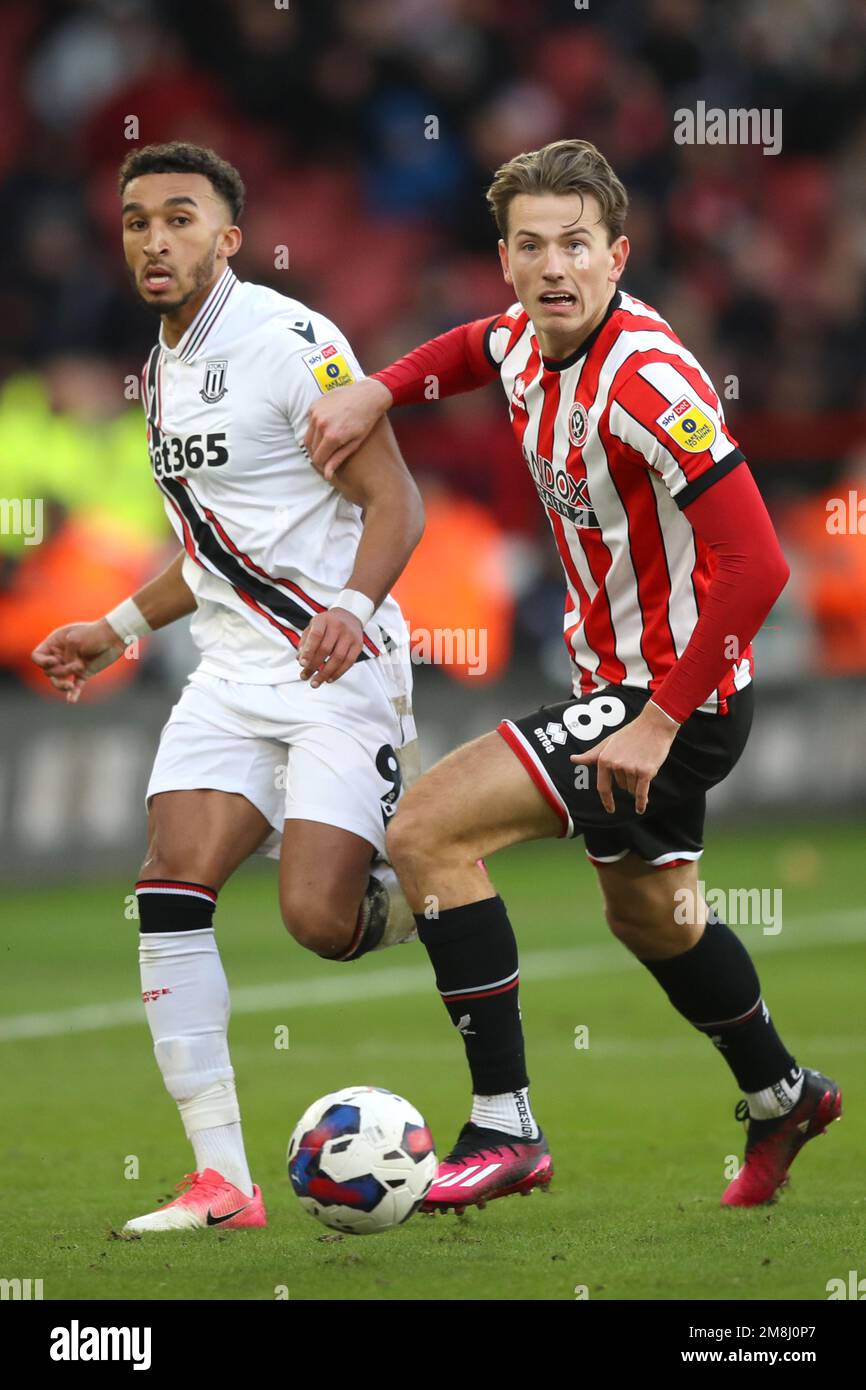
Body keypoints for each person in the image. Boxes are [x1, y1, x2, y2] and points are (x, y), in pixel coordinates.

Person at [305, 139, 842, 1214]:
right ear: (503, 259)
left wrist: (657, 719)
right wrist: (377, 388)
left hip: (670, 697)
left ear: (616, 255)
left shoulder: (647, 380)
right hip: (621, 687)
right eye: (530, 245)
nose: (553, 266)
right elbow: (468, 348)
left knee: (426, 832)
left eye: (576, 245)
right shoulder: (516, 336)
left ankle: (503, 1125)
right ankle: (782, 1091)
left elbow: (760, 561)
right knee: (652, 920)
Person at [31, 141, 424, 1233]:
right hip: (231, 670)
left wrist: (350, 608)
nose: (155, 240)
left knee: (314, 916)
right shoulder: (159, 368)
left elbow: (397, 505)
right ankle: (224, 1182)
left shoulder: (293, 343)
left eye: (180, 219)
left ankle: (427, 883)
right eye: (136, 221)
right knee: (169, 881)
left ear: (229, 237)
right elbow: (211, 549)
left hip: (333, 660)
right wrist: (111, 627)